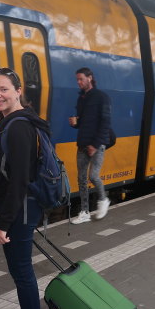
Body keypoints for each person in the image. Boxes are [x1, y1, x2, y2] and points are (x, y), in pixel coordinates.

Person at [0, 67, 46, 309]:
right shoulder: (9, 120)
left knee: (22, 272)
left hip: (19, 210)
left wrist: (4, 224)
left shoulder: (19, 125)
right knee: (20, 270)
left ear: (18, 91)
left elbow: (20, 181)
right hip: (17, 208)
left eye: (4, 89)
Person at [69, 67, 111, 224]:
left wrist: (95, 144)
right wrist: (75, 123)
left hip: (97, 145)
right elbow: (84, 122)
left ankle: (103, 200)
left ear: (90, 78)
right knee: (81, 178)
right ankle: (84, 212)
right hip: (82, 144)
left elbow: (105, 123)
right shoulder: (81, 99)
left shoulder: (102, 97)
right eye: (77, 80)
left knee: (93, 176)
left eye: (81, 79)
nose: (79, 82)